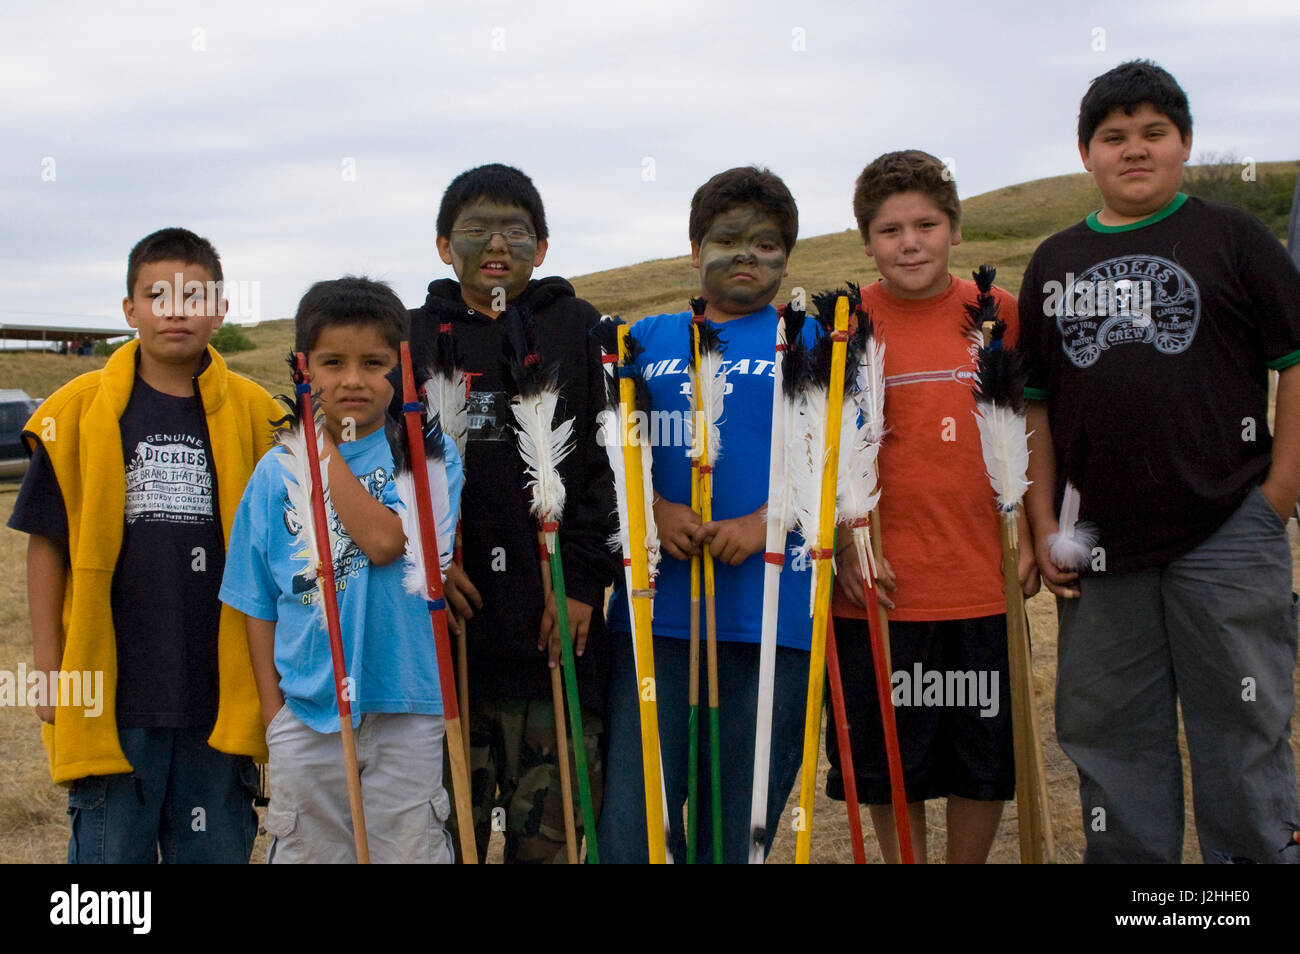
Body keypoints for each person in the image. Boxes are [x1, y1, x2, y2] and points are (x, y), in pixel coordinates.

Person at [1020, 59, 1300, 863]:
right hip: (1099, 546)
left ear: (1184, 143)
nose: (1133, 150)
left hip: (1228, 527)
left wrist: (1277, 492)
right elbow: (1033, 402)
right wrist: (1043, 523)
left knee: (1242, 727)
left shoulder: (1233, 240)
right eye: (1113, 137)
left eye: (1153, 133)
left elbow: (1295, 361)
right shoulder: (1055, 262)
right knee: (1110, 736)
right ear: (1086, 154)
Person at [8, 227, 281, 863]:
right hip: (116, 693)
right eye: (157, 294)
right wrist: (50, 672)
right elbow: (46, 545)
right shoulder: (75, 412)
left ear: (220, 308)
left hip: (221, 693)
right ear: (130, 311)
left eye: (194, 294)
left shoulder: (261, 416)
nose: (176, 309)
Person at [597, 165, 817, 863]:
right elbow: (603, 455)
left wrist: (768, 523)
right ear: (694, 251)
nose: (748, 255)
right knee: (636, 831)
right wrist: (653, 508)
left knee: (731, 838)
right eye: (728, 240)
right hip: (654, 619)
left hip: (772, 621)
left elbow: (843, 467)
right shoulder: (642, 341)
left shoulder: (816, 345)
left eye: (767, 242)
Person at [824, 150, 1035, 864]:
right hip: (880, 592)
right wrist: (844, 548)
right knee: (891, 759)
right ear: (866, 241)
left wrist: (1034, 535)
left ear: (955, 229)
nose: (909, 242)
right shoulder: (844, 327)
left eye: (926, 224)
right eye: (889, 230)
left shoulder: (996, 314)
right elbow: (814, 451)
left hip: (981, 580)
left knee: (983, 753)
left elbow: (1031, 426)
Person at [408, 163, 616, 863]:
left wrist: (583, 582)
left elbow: (606, 467)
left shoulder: (580, 330)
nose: (496, 243)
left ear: (544, 248)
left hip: (558, 641)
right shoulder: (412, 337)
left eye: (516, 231)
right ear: (443, 246)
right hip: (448, 645)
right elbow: (389, 473)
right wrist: (428, 558)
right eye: (475, 229)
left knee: (548, 846)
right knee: (447, 842)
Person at [220, 276, 462, 864]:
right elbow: (256, 602)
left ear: (401, 366)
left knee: (408, 850)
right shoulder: (273, 474)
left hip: (407, 704)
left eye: (373, 362)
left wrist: (319, 447)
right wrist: (275, 717)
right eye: (332, 363)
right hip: (308, 714)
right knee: (309, 851)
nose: (352, 380)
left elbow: (385, 542)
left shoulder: (427, 455)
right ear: (305, 369)